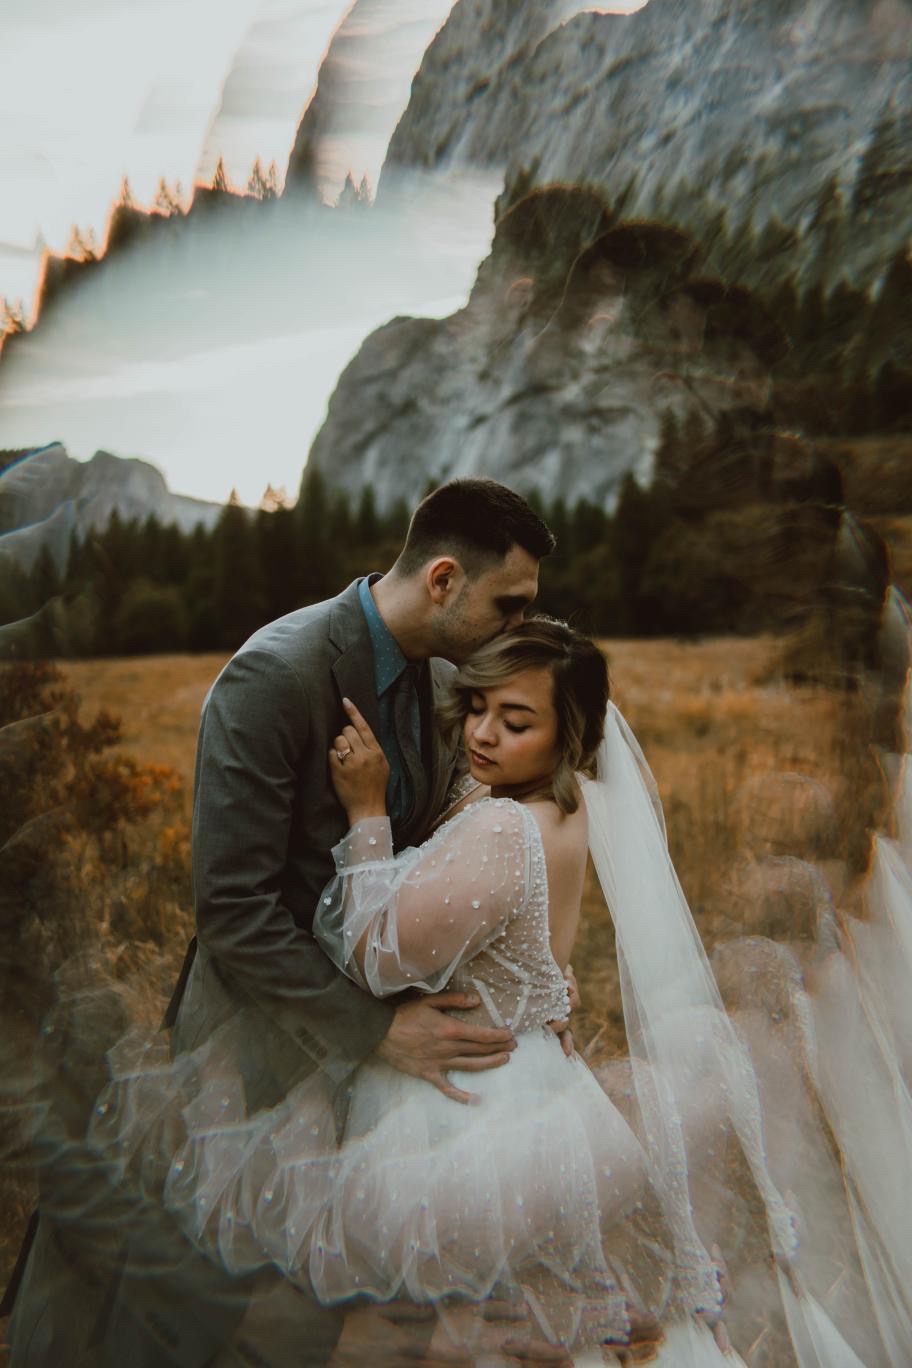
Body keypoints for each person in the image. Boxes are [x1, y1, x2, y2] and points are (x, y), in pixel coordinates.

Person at [87, 618, 807, 1363]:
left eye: (516, 722)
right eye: (478, 707)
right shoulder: (556, 805)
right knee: (510, 1321)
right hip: (531, 1078)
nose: (483, 734)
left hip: (467, 1104)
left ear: (569, 737)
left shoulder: (505, 829)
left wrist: (367, 812)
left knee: (461, 1323)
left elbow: (377, 961)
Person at [5, 479, 571, 1368]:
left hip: (371, 1073)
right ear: (444, 580)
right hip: (255, 1052)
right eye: (509, 605)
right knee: (192, 1307)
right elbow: (233, 911)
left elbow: (443, 864)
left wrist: (529, 989)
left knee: (335, 1312)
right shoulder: (275, 672)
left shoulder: (446, 683)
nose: (517, 626)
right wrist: (375, 1029)